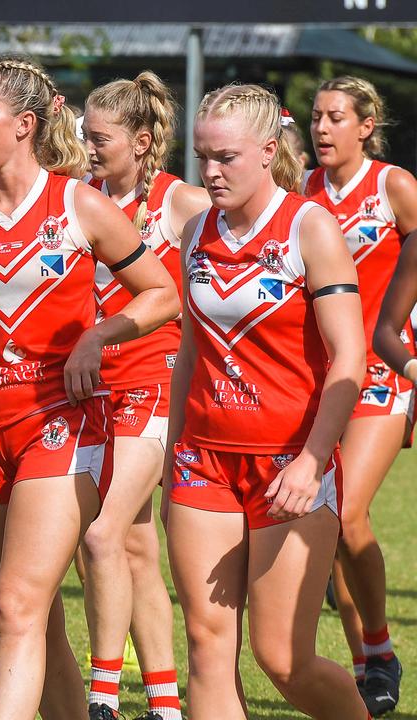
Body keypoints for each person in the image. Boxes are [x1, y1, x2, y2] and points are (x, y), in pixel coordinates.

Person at [0, 55, 180, 719]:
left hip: (64, 426)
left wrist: (96, 337)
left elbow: (163, 293)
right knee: (37, 619)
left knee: (16, 610)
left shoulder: (80, 205)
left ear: (23, 125)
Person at [166, 83, 368, 719]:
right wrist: (173, 452)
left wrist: (312, 461)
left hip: (288, 465)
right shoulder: (196, 229)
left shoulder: (310, 228)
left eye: (226, 156)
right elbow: (192, 352)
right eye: (202, 157)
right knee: (205, 644)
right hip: (204, 460)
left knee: (283, 661)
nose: (211, 171)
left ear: (267, 151)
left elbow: (350, 359)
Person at [79, 71, 210, 720]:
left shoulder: (181, 202)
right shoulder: (85, 198)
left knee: (100, 537)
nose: (88, 147)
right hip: (95, 393)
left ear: (141, 139)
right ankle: (165, 705)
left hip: (157, 386)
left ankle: (101, 696)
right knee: (132, 547)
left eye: (100, 138)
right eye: (83, 135)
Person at [303, 75, 417, 718]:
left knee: (346, 514)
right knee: (329, 524)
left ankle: (380, 653)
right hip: (324, 380)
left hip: (382, 372)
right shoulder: (305, 194)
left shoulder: (394, 186)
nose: (321, 128)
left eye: (335, 117)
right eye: (315, 116)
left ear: (365, 126)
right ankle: (366, 663)